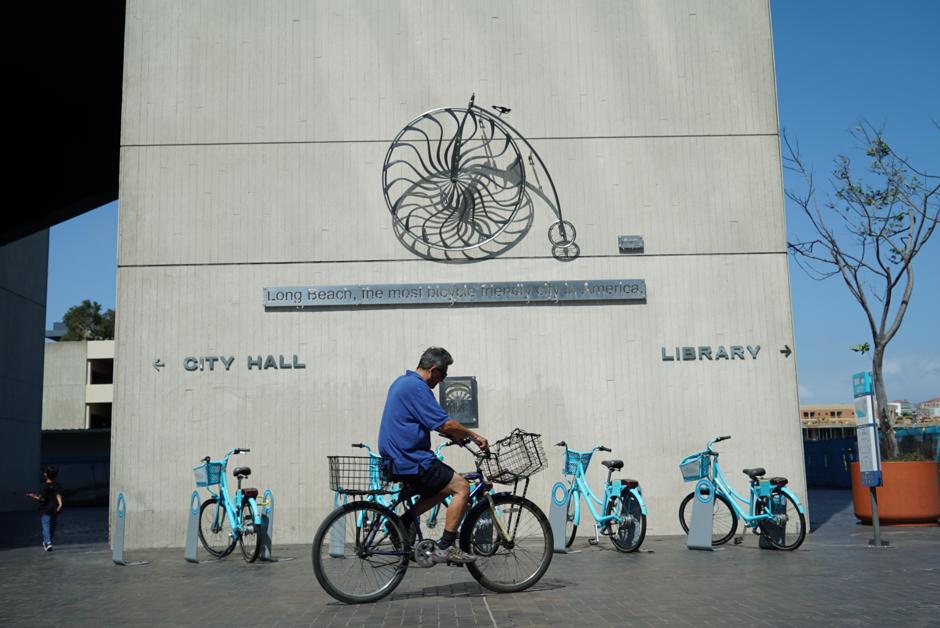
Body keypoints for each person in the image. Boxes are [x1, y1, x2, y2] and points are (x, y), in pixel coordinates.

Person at [378, 347, 488, 565]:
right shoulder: (417, 387)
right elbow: (444, 422)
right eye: (443, 375)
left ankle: (401, 522)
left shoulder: (402, 382)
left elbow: (429, 422)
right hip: (410, 458)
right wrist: (474, 436)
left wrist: (454, 436)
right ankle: (446, 547)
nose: (442, 381)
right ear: (434, 369)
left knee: (442, 487)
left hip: (398, 456)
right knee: (461, 487)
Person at [28, 466, 63, 551]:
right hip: (48, 510)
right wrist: (60, 504)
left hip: (49, 509)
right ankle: (48, 543)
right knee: (48, 526)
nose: (44, 473)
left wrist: (34, 496)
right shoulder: (56, 485)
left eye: (45, 472)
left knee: (50, 527)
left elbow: (42, 499)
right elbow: (58, 495)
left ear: (46, 475)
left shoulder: (43, 486)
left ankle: (47, 542)